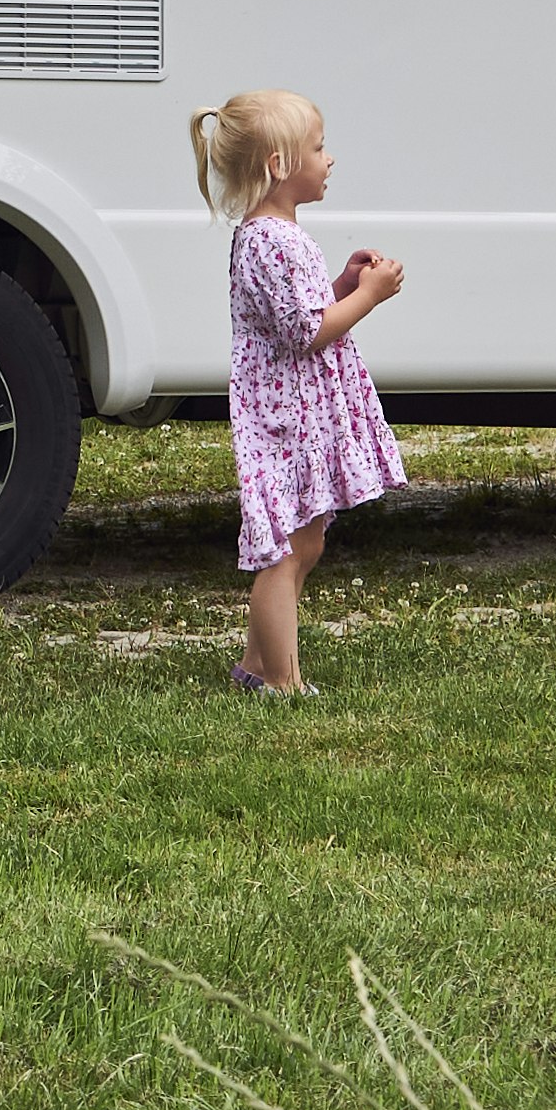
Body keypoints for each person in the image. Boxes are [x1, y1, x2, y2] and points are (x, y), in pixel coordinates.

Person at [195, 87, 407, 699]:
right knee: (283, 552)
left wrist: (342, 279)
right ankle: (281, 679)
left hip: (299, 412)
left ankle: (258, 666)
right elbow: (308, 332)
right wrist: (370, 295)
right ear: (279, 166)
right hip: (283, 419)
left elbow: (301, 309)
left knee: (305, 540)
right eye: (318, 148)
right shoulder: (273, 240)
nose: (329, 158)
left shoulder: (278, 236)